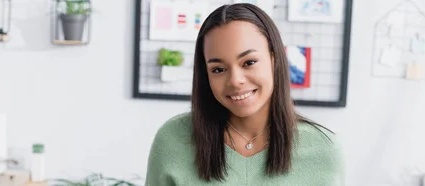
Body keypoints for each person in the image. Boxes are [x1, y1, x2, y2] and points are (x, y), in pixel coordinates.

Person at [145, 3, 344, 186]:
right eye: (218, 69)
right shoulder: (172, 139)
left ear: (274, 60)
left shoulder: (323, 148)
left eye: (249, 62)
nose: (235, 80)